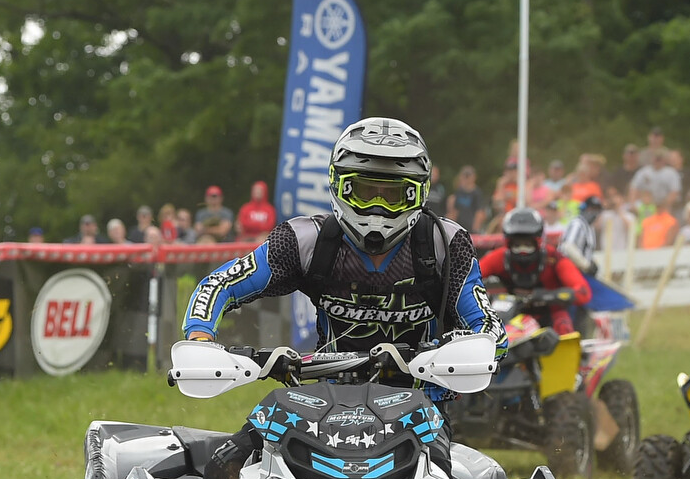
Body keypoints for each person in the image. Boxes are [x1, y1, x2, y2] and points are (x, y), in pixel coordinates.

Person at [183, 117, 500, 361]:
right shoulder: (304, 241)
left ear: (419, 193)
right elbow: (219, 285)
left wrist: (475, 351)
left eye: (392, 195)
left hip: (423, 407)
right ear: (339, 186)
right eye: (365, 192)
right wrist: (200, 339)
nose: (378, 207)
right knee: (245, 444)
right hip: (326, 403)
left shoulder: (444, 244)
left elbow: (490, 328)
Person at [478, 205, 592, 335]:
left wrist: (544, 296)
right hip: (509, 316)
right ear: (508, 243)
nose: (522, 250)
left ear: (538, 242)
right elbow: (469, 279)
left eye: (528, 244)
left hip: (550, 314)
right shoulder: (498, 258)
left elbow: (583, 292)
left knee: (563, 326)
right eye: (517, 244)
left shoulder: (554, 258)